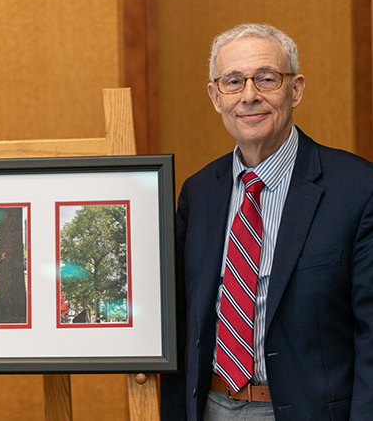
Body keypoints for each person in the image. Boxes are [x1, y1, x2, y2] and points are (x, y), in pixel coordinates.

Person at [160, 23, 373, 420]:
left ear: (296, 89)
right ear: (215, 96)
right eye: (234, 81)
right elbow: (182, 324)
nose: (249, 96)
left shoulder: (358, 189)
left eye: (266, 79)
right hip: (211, 406)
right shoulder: (198, 193)